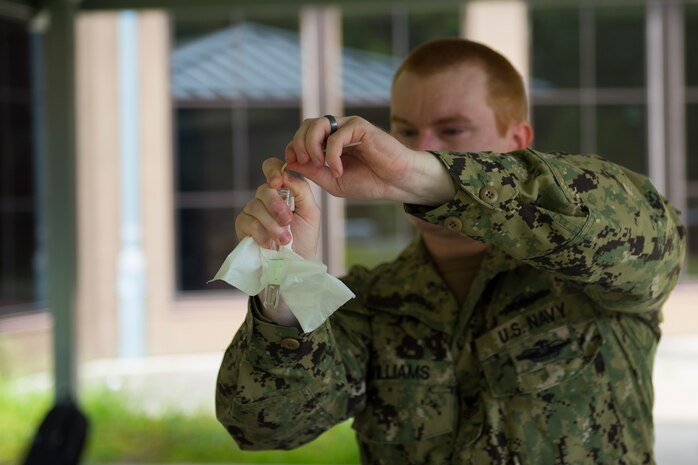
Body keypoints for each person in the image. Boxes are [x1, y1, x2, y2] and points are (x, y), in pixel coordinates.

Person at [215, 38, 685, 465]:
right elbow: (263, 426)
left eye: (453, 131)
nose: (422, 148)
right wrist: (288, 277)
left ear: (517, 141)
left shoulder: (587, 273)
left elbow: (645, 228)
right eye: (405, 132)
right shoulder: (373, 303)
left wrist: (426, 176)